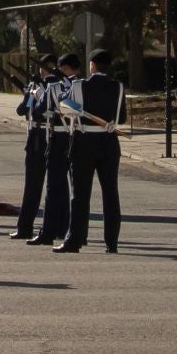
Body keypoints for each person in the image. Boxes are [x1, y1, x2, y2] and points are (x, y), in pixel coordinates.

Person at [56, 48, 124, 255]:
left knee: (80, 194)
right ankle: (112, 241)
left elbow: (64, 109)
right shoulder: (117, 86)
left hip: (85, 140)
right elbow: (120, 118)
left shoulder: (79, 85)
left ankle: (74, 240)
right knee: (110, 193)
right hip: (108, 141)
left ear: (92, 65)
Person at [32, 53, 82, 246]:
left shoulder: (55, 87)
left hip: (59, 138)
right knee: (75, 191)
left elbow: (38, 111)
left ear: (64, 69)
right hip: (78, 138)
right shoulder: (82, 86)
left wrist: (39, 97)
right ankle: (72, 231)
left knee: (54, 187)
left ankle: (48, 231)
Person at [10, 53, 59, 240]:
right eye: (41, 67)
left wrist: (39, 96)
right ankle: (24, 226)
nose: (43, 71)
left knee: (47, 185)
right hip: (35, 134)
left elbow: (48, 111)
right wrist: (29, 96)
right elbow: (22, 110)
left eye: (46, 67)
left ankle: (51, 226)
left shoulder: (56, 85)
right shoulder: (35, 85)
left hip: (47, 133)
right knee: (32, 184)